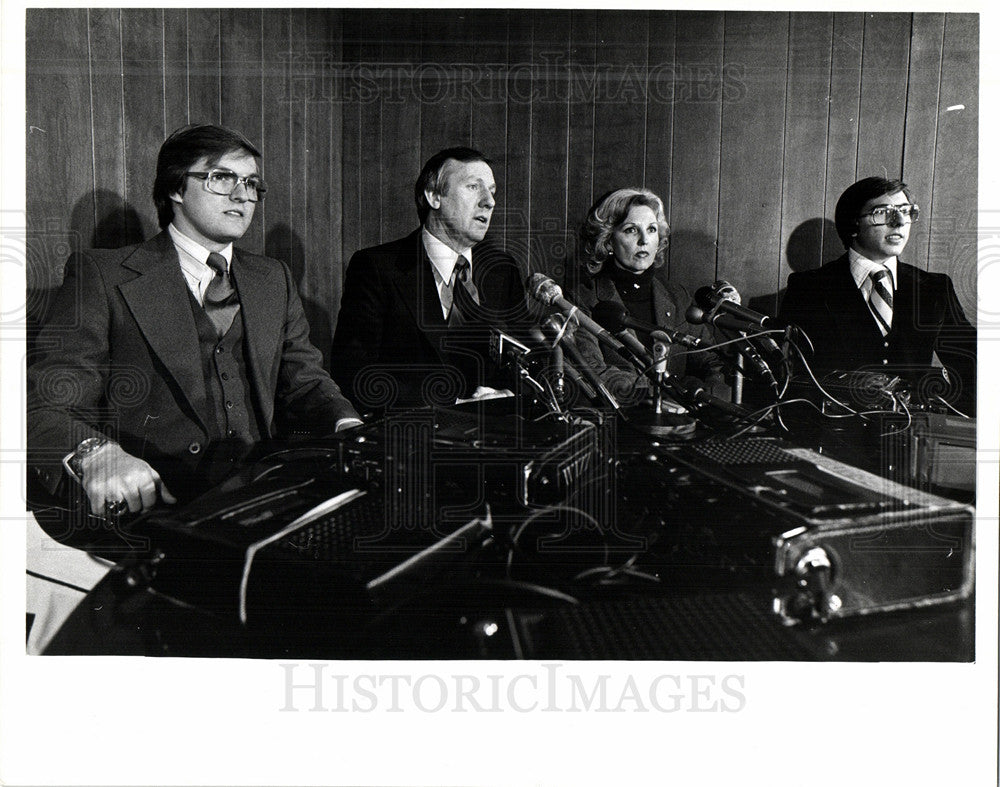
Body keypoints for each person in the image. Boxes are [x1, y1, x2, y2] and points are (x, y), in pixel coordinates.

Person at [27, 124, 362, 522]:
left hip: (264, 499)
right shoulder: (102, 275)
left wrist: (347, 424)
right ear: (176, 189)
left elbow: (305, 380)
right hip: (159, 512)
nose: (243, 194)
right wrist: (96, 455)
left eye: (252, 183)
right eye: (222, 178)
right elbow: (44, 405)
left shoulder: (273, 277)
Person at [330, 147, 529, 411]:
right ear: (434, 196)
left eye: (492, 192)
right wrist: (452, 404)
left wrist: (508, 394)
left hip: (495, 437)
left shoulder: (501, 270)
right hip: (413, 436)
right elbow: (353, 374)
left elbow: (528, 362)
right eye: (473, 187)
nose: (489, 202)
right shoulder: (377, 267)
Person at [778, 177, 976, 413]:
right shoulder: (809, 287)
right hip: (834, 433)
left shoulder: (935, 288)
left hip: (911, 436)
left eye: (906, 211)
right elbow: (791, 376)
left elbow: (973, 366)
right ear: (853, 224)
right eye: (883, 213)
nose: (899, 222)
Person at [571, 187, 726, 404]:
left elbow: (711, 361)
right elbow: (594, 372)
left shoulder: (677, 296)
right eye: (631, 230)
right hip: (622, 422)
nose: (644, 240)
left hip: (685, 421)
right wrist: (666, 395)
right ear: (608, 241)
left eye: (652, 229)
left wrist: (704, 393)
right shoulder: (583, 299)